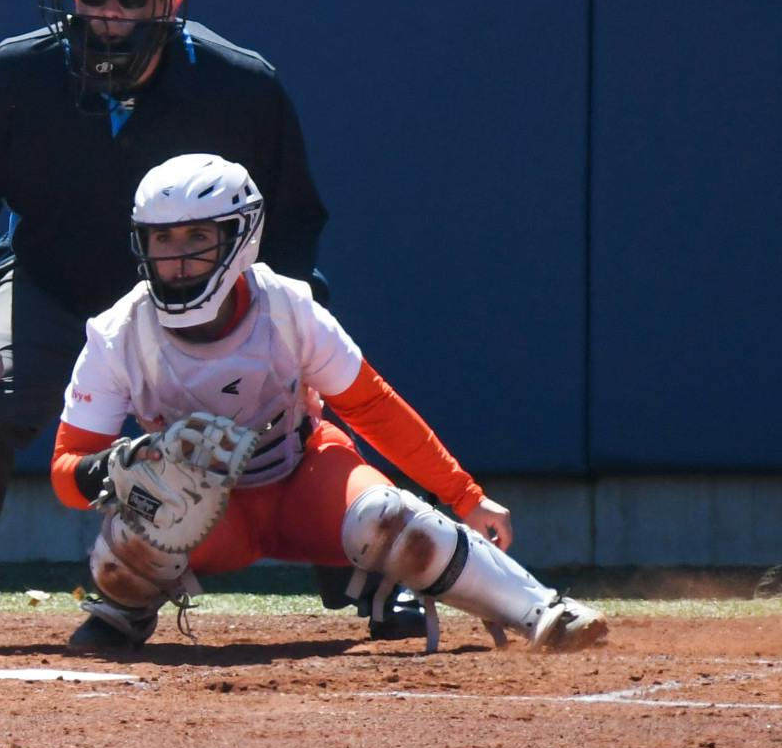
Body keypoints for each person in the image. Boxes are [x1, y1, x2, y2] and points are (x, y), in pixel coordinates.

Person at [0, 0, 422, 650]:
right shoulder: (13, 75)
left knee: (309, 405)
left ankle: (380, 580)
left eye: (129, 0)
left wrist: (288, 331)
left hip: (213, 303)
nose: (108, 16)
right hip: (54, 289)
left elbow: (293, 219)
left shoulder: (240, 85)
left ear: (169, 5)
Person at [50, 152, 607, 654]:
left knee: (389, 516)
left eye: (195, 236)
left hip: (302, 477)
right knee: (144, 503)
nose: (175, 258)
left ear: (241, 236)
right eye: (161, 239)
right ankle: (128, 601)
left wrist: (465, 495)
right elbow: (64, 468)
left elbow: (371, 406)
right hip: (205, 515)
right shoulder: (116, 332)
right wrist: (108, 469)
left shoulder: (289, 307)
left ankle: (542, 612)